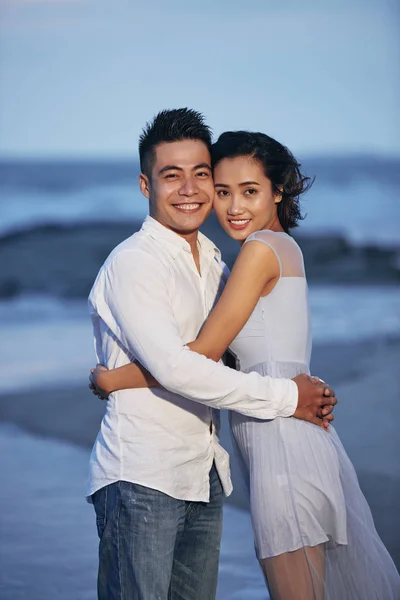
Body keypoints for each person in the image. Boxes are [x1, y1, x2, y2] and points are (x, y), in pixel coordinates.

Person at [91, 129, 400, 599]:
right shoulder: (275, 249)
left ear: (278, 191)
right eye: (223, 191)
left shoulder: (256, 253)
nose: (233, 206)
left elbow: (201, 355)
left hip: (282, 448)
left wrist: (114, 377)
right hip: (288, 442)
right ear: (145, 184)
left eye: (249, 191)